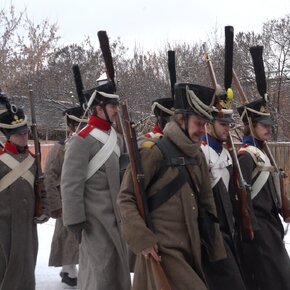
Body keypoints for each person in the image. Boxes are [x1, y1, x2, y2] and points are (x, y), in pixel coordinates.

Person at [118, 83, 226, 290]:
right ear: (181, 119)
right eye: (197, 123)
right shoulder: (154, 152)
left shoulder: (198, 156)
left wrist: (215, 247)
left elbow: (206, 203)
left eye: (205, 124)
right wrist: (142, 238)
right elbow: (126, 197)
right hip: (162, 250)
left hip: (192, 247)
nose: (201, 130)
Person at [60, 78, 131, 290]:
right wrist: (75, 221)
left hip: (117, 219)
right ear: (98, 108)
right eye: (112, 106)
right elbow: (70, 184)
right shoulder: (80, 140)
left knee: (118, 274)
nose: (117, 110)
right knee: (99, 276)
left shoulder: (117, 139)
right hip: (94, 223)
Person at [236, 99, 290, 290]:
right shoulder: (246, 156)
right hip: (259, 232)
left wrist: (285, 206)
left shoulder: (261, 152)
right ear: (251, 126)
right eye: (263, 126)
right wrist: (252, 230)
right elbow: (244, 198)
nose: (268, 129)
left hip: (270, 225)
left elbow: (272, 189)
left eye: (269, 126)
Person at [0, 95, 48, 290]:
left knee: (26, 270)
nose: (24, 136)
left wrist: (45, 209)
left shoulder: (33, 159)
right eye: (19, 134)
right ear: (8, 135)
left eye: (25, 132)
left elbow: (41, 189)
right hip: (3, 226)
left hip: (27, 226)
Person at [200, 94, 246, 290]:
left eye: (229, 124)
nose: (227, 128)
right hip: (212, 235)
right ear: (208, 124)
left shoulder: (226, 153)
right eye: (222, 123)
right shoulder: (201, 153)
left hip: (229, 232)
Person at [45, 106, 87, 287]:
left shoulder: (87, 143)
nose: (82, 127)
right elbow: (49, 176)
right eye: (78, 124)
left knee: (80, 238)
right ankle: (69, 270)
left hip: (83, 197)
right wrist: (55, 204)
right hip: (64, 199)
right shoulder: (60, 148)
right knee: (67, 238)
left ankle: (72, 269)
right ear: (70, 126)